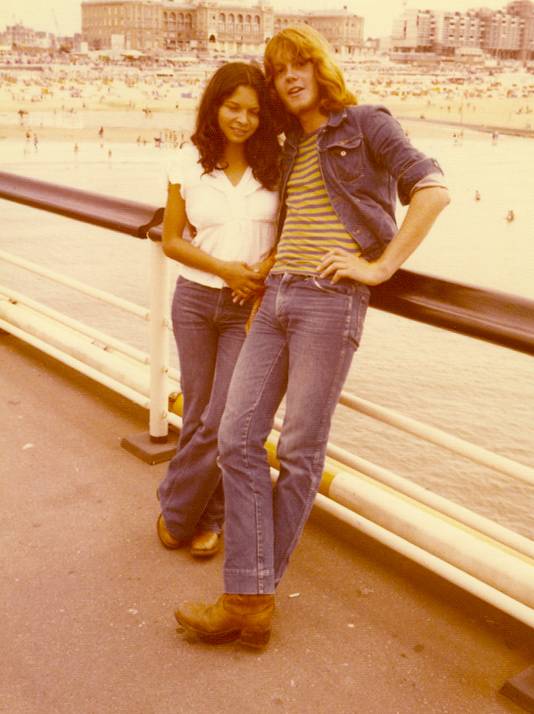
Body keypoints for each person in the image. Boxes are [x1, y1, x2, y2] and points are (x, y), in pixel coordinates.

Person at [174, 26, 450, 647]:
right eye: (278, 71)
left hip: (330, 303)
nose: (289, 76)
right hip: (274, 300)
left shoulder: (367, 124)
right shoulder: (291, 146)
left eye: (299, 63)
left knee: (298, 451)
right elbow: (293, 219)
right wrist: (266, 270)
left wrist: (380, 269)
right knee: (236, 435)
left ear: (320, 67)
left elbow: (432, 191)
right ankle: (251, 594)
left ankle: (248, 597)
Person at [156, 62, 280, 559]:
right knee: (197, 414)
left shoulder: (277, 163)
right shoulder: (187, 160)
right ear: (215, 106)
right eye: (233, 107)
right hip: (194, 300)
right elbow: (171, 240)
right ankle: (208, 516)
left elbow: (290, 233)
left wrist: (263, 267)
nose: (243, 119)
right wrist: (225, 268)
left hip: (246, 307)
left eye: (253, 110)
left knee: (224, 419)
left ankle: (177, 509)